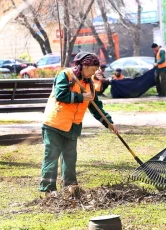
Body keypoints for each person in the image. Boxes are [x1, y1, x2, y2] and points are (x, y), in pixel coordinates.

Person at [40, 52, 118, 197]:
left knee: (70, 158)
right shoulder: (66, 75)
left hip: (72, 127)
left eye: (96, 71)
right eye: (92, 70)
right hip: (54, 124)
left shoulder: (90, 84)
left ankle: (70, 187)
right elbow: (60, 94)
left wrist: (109, 123)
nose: (94, 73)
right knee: (52, 156)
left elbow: (96, 108)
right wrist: (81, 97)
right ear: (84, 65)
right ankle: (48, 190)